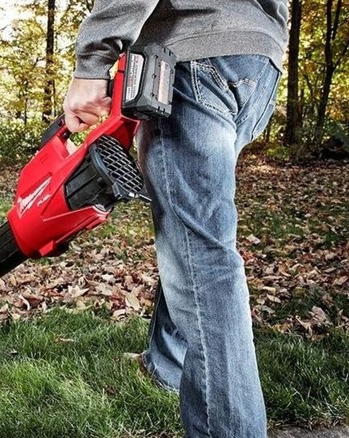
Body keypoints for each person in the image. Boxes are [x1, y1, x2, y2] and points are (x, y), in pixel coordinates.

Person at [63, 1, 288, 437]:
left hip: (190, 56)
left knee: (204, 257)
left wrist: (93, 61)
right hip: (257, 62)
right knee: (192, 231)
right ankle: (167, 364)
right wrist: (265, 38)